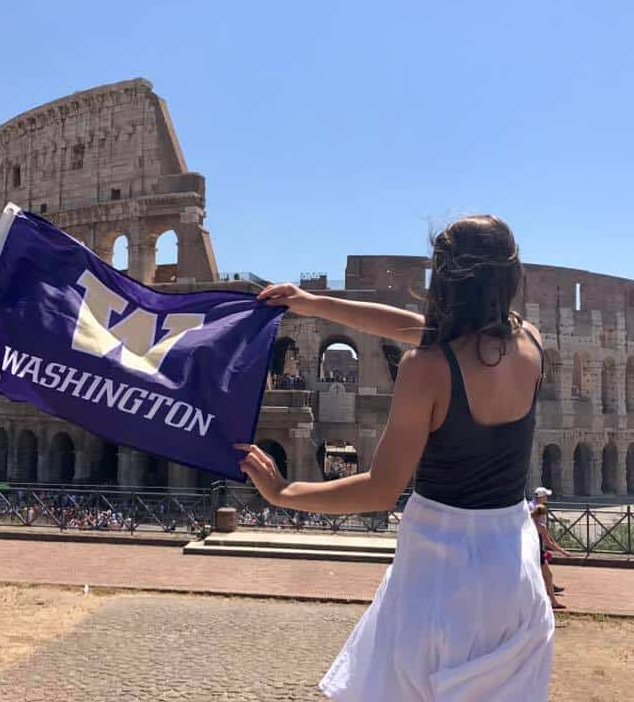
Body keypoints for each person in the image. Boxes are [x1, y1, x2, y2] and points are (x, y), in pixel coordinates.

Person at [240, 215, 554, 701]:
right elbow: (417, 329)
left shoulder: (427, 368)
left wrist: (284, 492)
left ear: (443, 278)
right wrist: (314, 303)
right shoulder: (530, 340)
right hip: (513, 570)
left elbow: (380, 489)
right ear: (511, 276)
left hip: (440, 571)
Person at [530, 504, 569, 609]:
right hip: (539, 554)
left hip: (530, 553)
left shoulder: (528, 524)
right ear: (541, 515)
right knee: (548, 577)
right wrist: (563, 552)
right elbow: (549, 543)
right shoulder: (541, 527)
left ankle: (548, 601)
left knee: (539, 577)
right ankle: (553, 602)